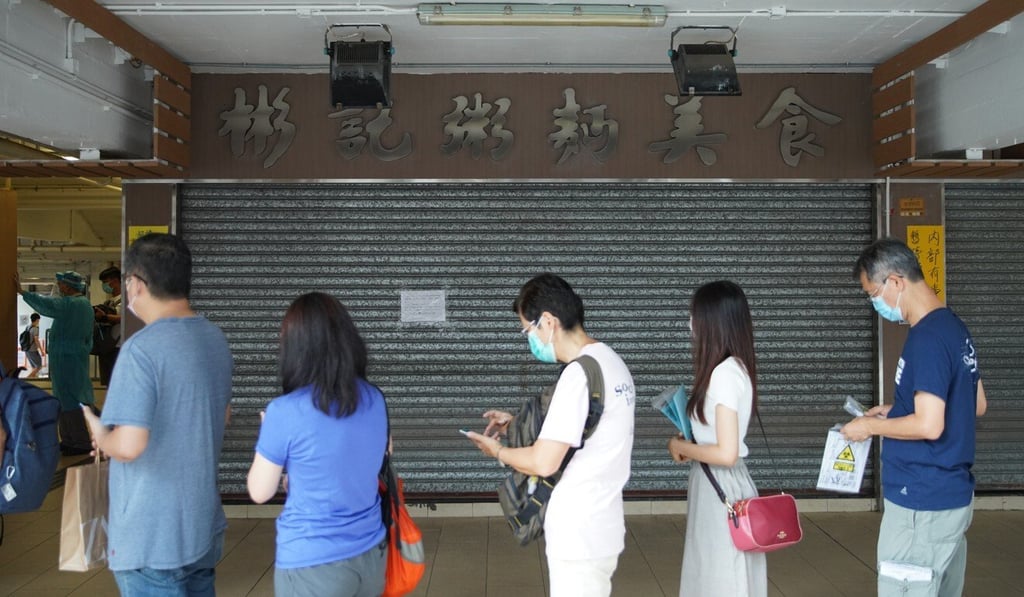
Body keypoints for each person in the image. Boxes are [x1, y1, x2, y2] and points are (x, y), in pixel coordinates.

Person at [81, 233, 233, 596]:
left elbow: (130, 445)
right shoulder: (214, 339)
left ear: (135, 284)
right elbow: (222, 416)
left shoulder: (140, 351)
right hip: (201, 525)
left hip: (152, 536)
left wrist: (100, 433)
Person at [466, 273, 636, 597]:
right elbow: (588, 431)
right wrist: (516, 423)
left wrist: (497, 452)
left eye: (528, 330)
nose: (529, 339)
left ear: (548, 321)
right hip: (603, 525)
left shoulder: (578, 374)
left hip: (578, 534)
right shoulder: (611, 362)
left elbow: (544, 461)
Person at [840, 237, 986, 597]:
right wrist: (900, 410)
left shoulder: (927, 338)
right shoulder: (954, 327)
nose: (875, 303)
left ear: (896, 282)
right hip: (949, 498)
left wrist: (870, 426)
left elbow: (929, 425)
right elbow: (976, 402)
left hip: (920, 502)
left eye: (873, 293)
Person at [247, 292, 388, 597]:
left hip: (314, 564)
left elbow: (260, 492)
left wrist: (269, 435)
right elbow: (368, 463)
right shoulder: (375, 398)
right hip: (372, 557)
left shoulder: (283, 411)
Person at [667, 280, 767, 597]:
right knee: (718, 575)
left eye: (695, 315)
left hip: (722, 488)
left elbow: (726, 452)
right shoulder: (736, 368)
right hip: (723, 485)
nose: (690, 324)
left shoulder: (724, 374)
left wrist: (681, 446)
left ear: (713, 321)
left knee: (721, 580)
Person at [14, 270, 95, 455]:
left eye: (60, 283)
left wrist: (23, 292)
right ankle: (69, 439)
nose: (59, 287)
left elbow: (47, 305)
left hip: (66, 358)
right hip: (74, 356)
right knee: (67, 397)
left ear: (67, 285)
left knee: (69, 399)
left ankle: (79, 441)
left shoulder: (71, 304)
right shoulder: (86, 306)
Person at [94, 266, 123, 387]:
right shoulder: (109, 301)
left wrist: (105, 317)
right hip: (107, 346)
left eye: (105, 282)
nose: (104, 286)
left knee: (118, 383)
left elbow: (124, 318)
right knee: (109, 382)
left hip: (119, 346)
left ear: (115, 280)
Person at [25, 313, 45, 378]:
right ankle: (27, 378)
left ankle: (33, 380)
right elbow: (36, 340)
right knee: (39, 366)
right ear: (37, 320)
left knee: (34, 367)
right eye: (38, 320)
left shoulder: (27, 327)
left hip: (27, 350)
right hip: (33, 350)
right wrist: (42, 350)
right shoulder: (35, 328)